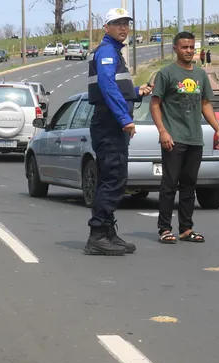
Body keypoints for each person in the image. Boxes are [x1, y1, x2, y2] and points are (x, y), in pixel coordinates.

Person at [85, 7, 153, 256]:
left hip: (111, 123)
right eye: (117, 23)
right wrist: (125, 118)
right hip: (109, 124)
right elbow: (106, 86)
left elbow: (116, 88)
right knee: (113, 179)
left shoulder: (113, 52)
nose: (123, 28)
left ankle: (107, 232)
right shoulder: (106, 52)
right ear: (107, 27)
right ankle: (97, 235)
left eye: (126, 23)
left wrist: (136, 93)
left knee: (112, 179)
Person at [149, 31, 219, 244]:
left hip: (195, 138)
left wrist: (218, 129)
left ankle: (186, 228)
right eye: (184, 47)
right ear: (175, 49)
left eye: (192, 47)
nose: (189, 51)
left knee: (189, 185)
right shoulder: (166, 74)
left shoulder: (201, 75)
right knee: (169, 184)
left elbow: (205, 104)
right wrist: (163, 131)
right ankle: (164, 228)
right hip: (173, 138)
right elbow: (155, 104)